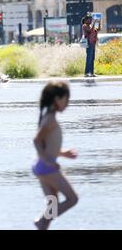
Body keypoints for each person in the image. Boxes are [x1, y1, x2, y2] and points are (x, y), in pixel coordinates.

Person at [33, 81, 78, 230]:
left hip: (42, 167)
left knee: (52, 203)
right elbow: (37, 140)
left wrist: (62, 153)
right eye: (67, 99)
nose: (67, 104)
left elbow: (49, 145)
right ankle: (41, 221)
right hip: (47, 167)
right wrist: (47, 161)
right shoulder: (50, 120)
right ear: (57, 99)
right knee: (72, 199)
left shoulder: (49, 117)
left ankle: (43, 225)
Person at [82, 13, 100, 77]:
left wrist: (98, 23)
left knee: (92, 58)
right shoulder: (84, 26)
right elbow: (89, 31)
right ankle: (86, 73)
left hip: (93, 43)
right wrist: (94, 24)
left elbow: (97, 30)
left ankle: (91, 73)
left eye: (91, 20)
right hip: (89, 43)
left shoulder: (91, 25)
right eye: (90, 20)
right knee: (89, 58)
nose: (91, 21)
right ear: (86, 20)